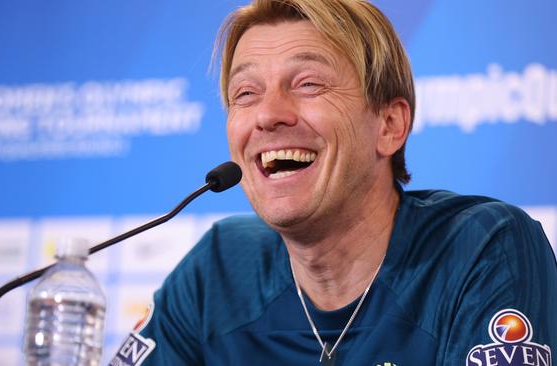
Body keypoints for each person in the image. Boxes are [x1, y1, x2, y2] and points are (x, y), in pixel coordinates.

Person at [109, 0, 557, 365]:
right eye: (245, 93)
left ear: (389, 125)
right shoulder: (220, 269)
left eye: (308, 84)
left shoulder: (481, 247)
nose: (268, 115)